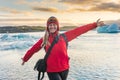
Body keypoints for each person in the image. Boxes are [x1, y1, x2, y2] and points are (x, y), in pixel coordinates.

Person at [21, 16, 104, 80]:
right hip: (52, 69)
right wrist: (25, 59)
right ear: (47, 27)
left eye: (54, 25)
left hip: (65, 68)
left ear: (57, 26)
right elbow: (33, 49)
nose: (52, 27)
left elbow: (79, 30)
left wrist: (94, 25)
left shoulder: (64, 37)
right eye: (50, 25)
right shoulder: (44, 39)